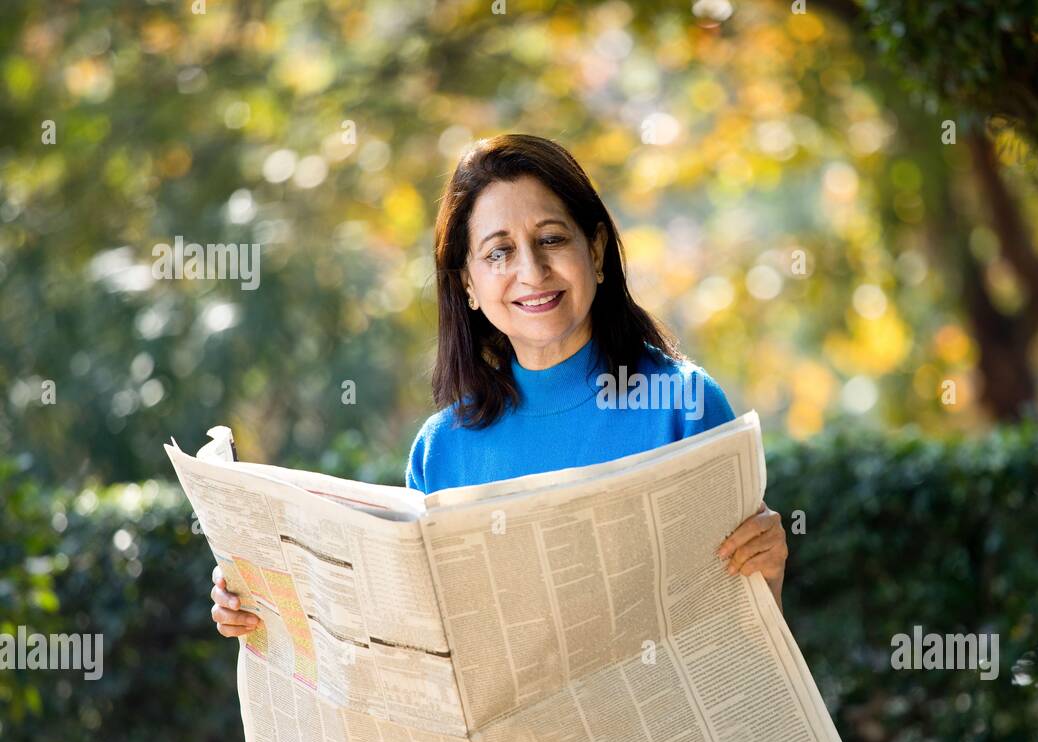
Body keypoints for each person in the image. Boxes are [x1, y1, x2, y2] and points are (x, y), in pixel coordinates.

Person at [211, 133, 789, 638]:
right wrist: (263, 611)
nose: (532, 272)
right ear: (467, 281)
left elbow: (739, 642)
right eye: (500, 252)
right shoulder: (442, 451)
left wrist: (769, 571)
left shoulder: (682, 406)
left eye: (552, 240)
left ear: (595, 249)